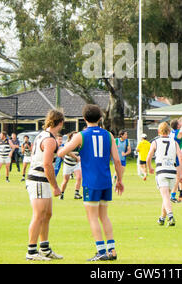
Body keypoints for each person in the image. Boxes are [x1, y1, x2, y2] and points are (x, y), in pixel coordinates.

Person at [57, 104, 124, 262]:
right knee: (104, 216)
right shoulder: (108, 135)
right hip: (106, 180)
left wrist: (59, 146)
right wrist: (120, 180)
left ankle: (100, 251)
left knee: (92, 217)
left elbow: (61, 153)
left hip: (91, 182)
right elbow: (116, 160)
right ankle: (112, 250)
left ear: (84, 118)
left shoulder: (81, 135)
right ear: (100, 118)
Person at [25, 109, 64, 261]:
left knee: (47, 215)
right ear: (60, 123)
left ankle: (45, 248)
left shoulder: (44, 135)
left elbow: (58, 153)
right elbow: (47, 164)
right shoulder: (49, 139)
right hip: (39, 179)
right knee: (39, 215)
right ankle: (32, 251)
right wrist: (55, 186)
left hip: (42, 180)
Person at [147, 122, 182, 227]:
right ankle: (162, 218)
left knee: (165, 196)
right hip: (172, 171)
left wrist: (149, 167)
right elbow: (180, 157)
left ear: (159, 131)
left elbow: (148, 157)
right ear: (169, 131)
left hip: (161, 170)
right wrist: (181, 173)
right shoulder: (174, 142)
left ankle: (170, 216)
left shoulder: (155, 142)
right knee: (166, 196)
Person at [59, 131, 82, 200]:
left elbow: (82, 152)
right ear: (71, 137)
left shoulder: (79, 144)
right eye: (74, 136)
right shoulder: (68, 144)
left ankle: (76, 193)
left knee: (79, 177)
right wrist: (76, 157)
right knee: (66, 180)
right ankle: (61, 193)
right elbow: (68, 152)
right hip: (68, 164)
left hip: (76, 164)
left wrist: (80, 157)